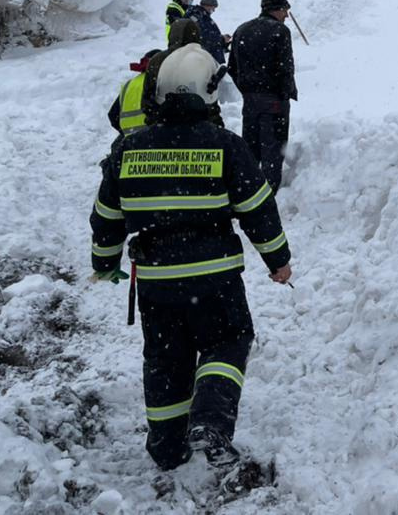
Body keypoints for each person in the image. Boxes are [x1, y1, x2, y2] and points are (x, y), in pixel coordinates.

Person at [89, 43, 293, 472]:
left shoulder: (129, 148)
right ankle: (211, 423)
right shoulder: (225, 146)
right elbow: (258, 210)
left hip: (157, 279)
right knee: (227, 341)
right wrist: (278, 261)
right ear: (207, 92)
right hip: (214, 275)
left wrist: (104, 262)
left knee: (166, 357)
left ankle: (166, 446)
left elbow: (107, 215)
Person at [229, 0, 297, 193]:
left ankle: (248, 190)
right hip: (274, 99)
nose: (286, 15)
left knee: (251, 147)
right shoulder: (279, 31)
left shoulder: (241, 30)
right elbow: (286, 67)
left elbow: (232, 67)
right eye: (285, 10)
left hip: (250, 100)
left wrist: (247, 89)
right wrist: (284, 93)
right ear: (275, 9)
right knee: (273, 149)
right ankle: (269, 193)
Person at [142, 18, 223, 128]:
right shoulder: (203, 59)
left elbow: (148, 97)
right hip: (201, 126)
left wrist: (154, 122)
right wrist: (216, 125)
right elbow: (211, 99)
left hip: (164, 124)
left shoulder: (157, 60)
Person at [107, 50, 161, 135]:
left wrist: (128, 133)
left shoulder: (129, 84)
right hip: (153, 137)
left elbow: (113, 115)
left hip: (131, 141)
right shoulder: (158, 80)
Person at [187, 0, 228, 65]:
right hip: (203, 59)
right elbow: (204, 37)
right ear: (207, 5)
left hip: (206, 57)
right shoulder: (198, 16)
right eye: (213, 8)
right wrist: (221, 39)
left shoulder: (203, 16)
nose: (213, 10)